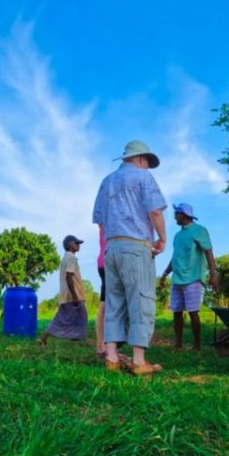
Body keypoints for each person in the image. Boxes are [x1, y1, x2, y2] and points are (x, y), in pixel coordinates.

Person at [92, 140, 167, 376]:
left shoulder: (106, 182)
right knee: (141, 299)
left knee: (114, 302)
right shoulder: (143, 177)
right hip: (136, 246)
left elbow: (100, 221)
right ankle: (138, 360)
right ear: (142, 158)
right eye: (147, 162)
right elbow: (155, 211)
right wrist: (162, 239)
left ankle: (112, 357)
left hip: (111, 248)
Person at [159, 203, 219, 351]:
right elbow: (175, 258)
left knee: (193, 312)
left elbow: (209, 253)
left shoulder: (200, 231)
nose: (174, 216)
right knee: (177, 312)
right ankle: (178, 343)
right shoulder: (177, 236)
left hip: (193, 278)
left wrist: (213, 275)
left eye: (176, 213)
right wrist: (165, 274)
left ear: (184, 215)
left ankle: (196, 345)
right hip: (177, 279)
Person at [39, 235, 88, 346]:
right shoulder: (71, 258)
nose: (78, 245)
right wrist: (75, 296)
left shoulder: (66, 257)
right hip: (73, 296)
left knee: (61, 319)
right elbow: (69, 277)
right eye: (76, 243)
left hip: (65, 296)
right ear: (70, 245)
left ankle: (43, 338)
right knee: (82, 315)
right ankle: (81, 341)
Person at [94, 225, 107, 357]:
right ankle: (101, 345)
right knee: (105, 306)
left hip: (103, 262)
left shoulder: (103, 224)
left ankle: (101, 345)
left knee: (105, 304)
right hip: (108, 262)